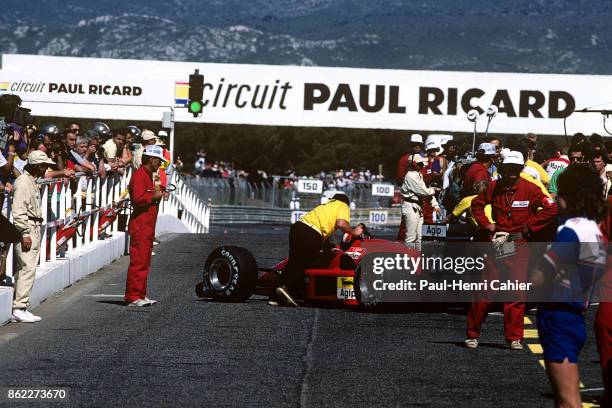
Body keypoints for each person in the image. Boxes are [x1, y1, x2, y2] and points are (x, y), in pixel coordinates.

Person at [530, 164, 607, 408]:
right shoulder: (594, 230)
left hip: (557, 315)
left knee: (567, 401)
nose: (556, 196)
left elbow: (540, 276)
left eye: (560, 192)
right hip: (575, 313)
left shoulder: (570, 230)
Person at [466, 151, 557, 349]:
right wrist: (486, 224)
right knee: (485, 289)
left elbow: (551, 208)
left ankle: (515, 337)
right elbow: (476, 204)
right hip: (498, 243)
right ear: (503, 169)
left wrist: (530, 226)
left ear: (521, 169)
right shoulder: (493, 186)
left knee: (516, 292)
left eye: (516, 169)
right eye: (508, 169)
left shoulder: (531, 189)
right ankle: (472, 334)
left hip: (519, 244)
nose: (512, 174)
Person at [275, 192, 363, 307]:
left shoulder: (325, 206)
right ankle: (287, 288)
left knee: (293, 261)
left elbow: (322, 233)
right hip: (312, 233)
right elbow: (341, 223)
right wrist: (354, 232)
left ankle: (276, 294)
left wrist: (328, 245)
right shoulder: (343, 205)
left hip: (297, 227)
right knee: (306, 263)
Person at [11, 150, 56, 322]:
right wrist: (24, 233)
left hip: (33, 225)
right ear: (38, 166)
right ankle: (19, 307)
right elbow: (19, 210)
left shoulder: (30, 181)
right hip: (28, 227)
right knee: (27, 267)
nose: (46, 169)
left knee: (28, 266)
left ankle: (21, 305)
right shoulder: (23, 182)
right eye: (44, 166)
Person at [124, 145, 166, 307]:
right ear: (151, 159)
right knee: (139, 261)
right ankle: (133, 296)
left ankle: (140, 294)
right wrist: (154, 196)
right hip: (141, 225)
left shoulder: (147, 175)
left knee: (145, 261)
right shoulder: (140, 175)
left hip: (147, 225)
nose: (160, 164)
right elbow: (137, 199)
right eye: (158, 160)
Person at [400, 153, 440, 249]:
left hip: (417, 207)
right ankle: (409, 261)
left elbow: (425, 191)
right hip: (411, 207)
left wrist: (435, 204)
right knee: (411, 238)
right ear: (413, 163)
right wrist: (434, 190)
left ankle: (416, 259)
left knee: (418, 238)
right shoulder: (410, 176)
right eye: (419, 164)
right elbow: (424, 192)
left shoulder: (418, 175)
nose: (421, 166)